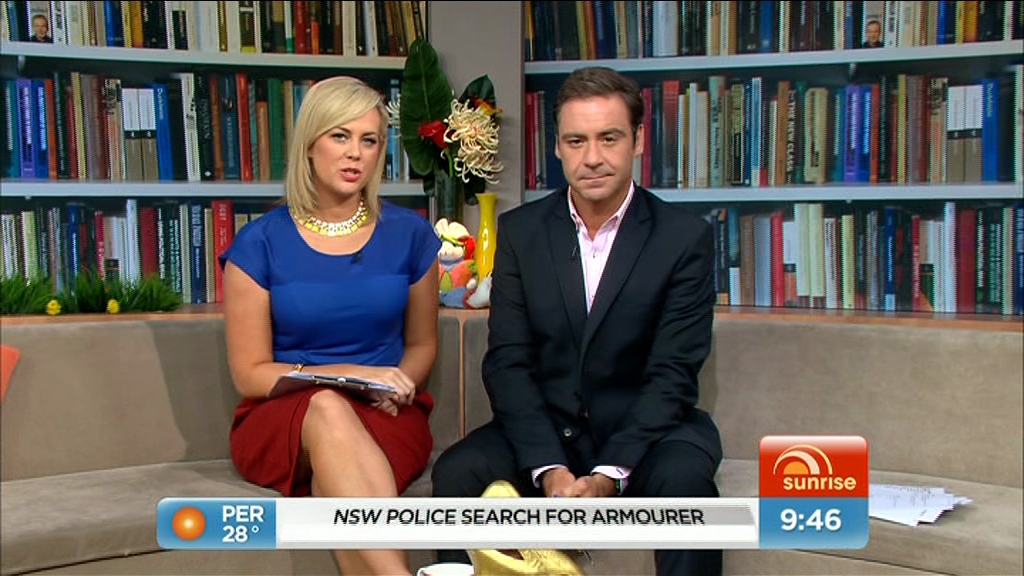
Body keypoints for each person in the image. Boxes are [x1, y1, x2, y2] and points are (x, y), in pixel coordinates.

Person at [432, 66, 723, 576]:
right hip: (549, 431)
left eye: (609, 138)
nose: (592, 158)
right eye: (576, 141)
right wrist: (550, 469)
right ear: (558, 147)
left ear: (637, 141)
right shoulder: (522, 232)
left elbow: (673, 373)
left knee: (687, 488)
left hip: (647, 434)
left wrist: (608, 474)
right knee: (458, 472)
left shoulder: (683, 238)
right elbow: (508, 363)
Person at [220, 76, 441, 576]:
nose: (355, 153)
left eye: (370, 140)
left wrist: (397, 383)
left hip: (386, 413)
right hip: (286, 417)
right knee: (326, 408)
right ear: (309, 144)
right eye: (340, 136)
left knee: (333, 486)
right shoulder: (259, 244)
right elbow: (250, 374)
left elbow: (422, 344)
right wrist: (347, 376)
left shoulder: (409, 234)